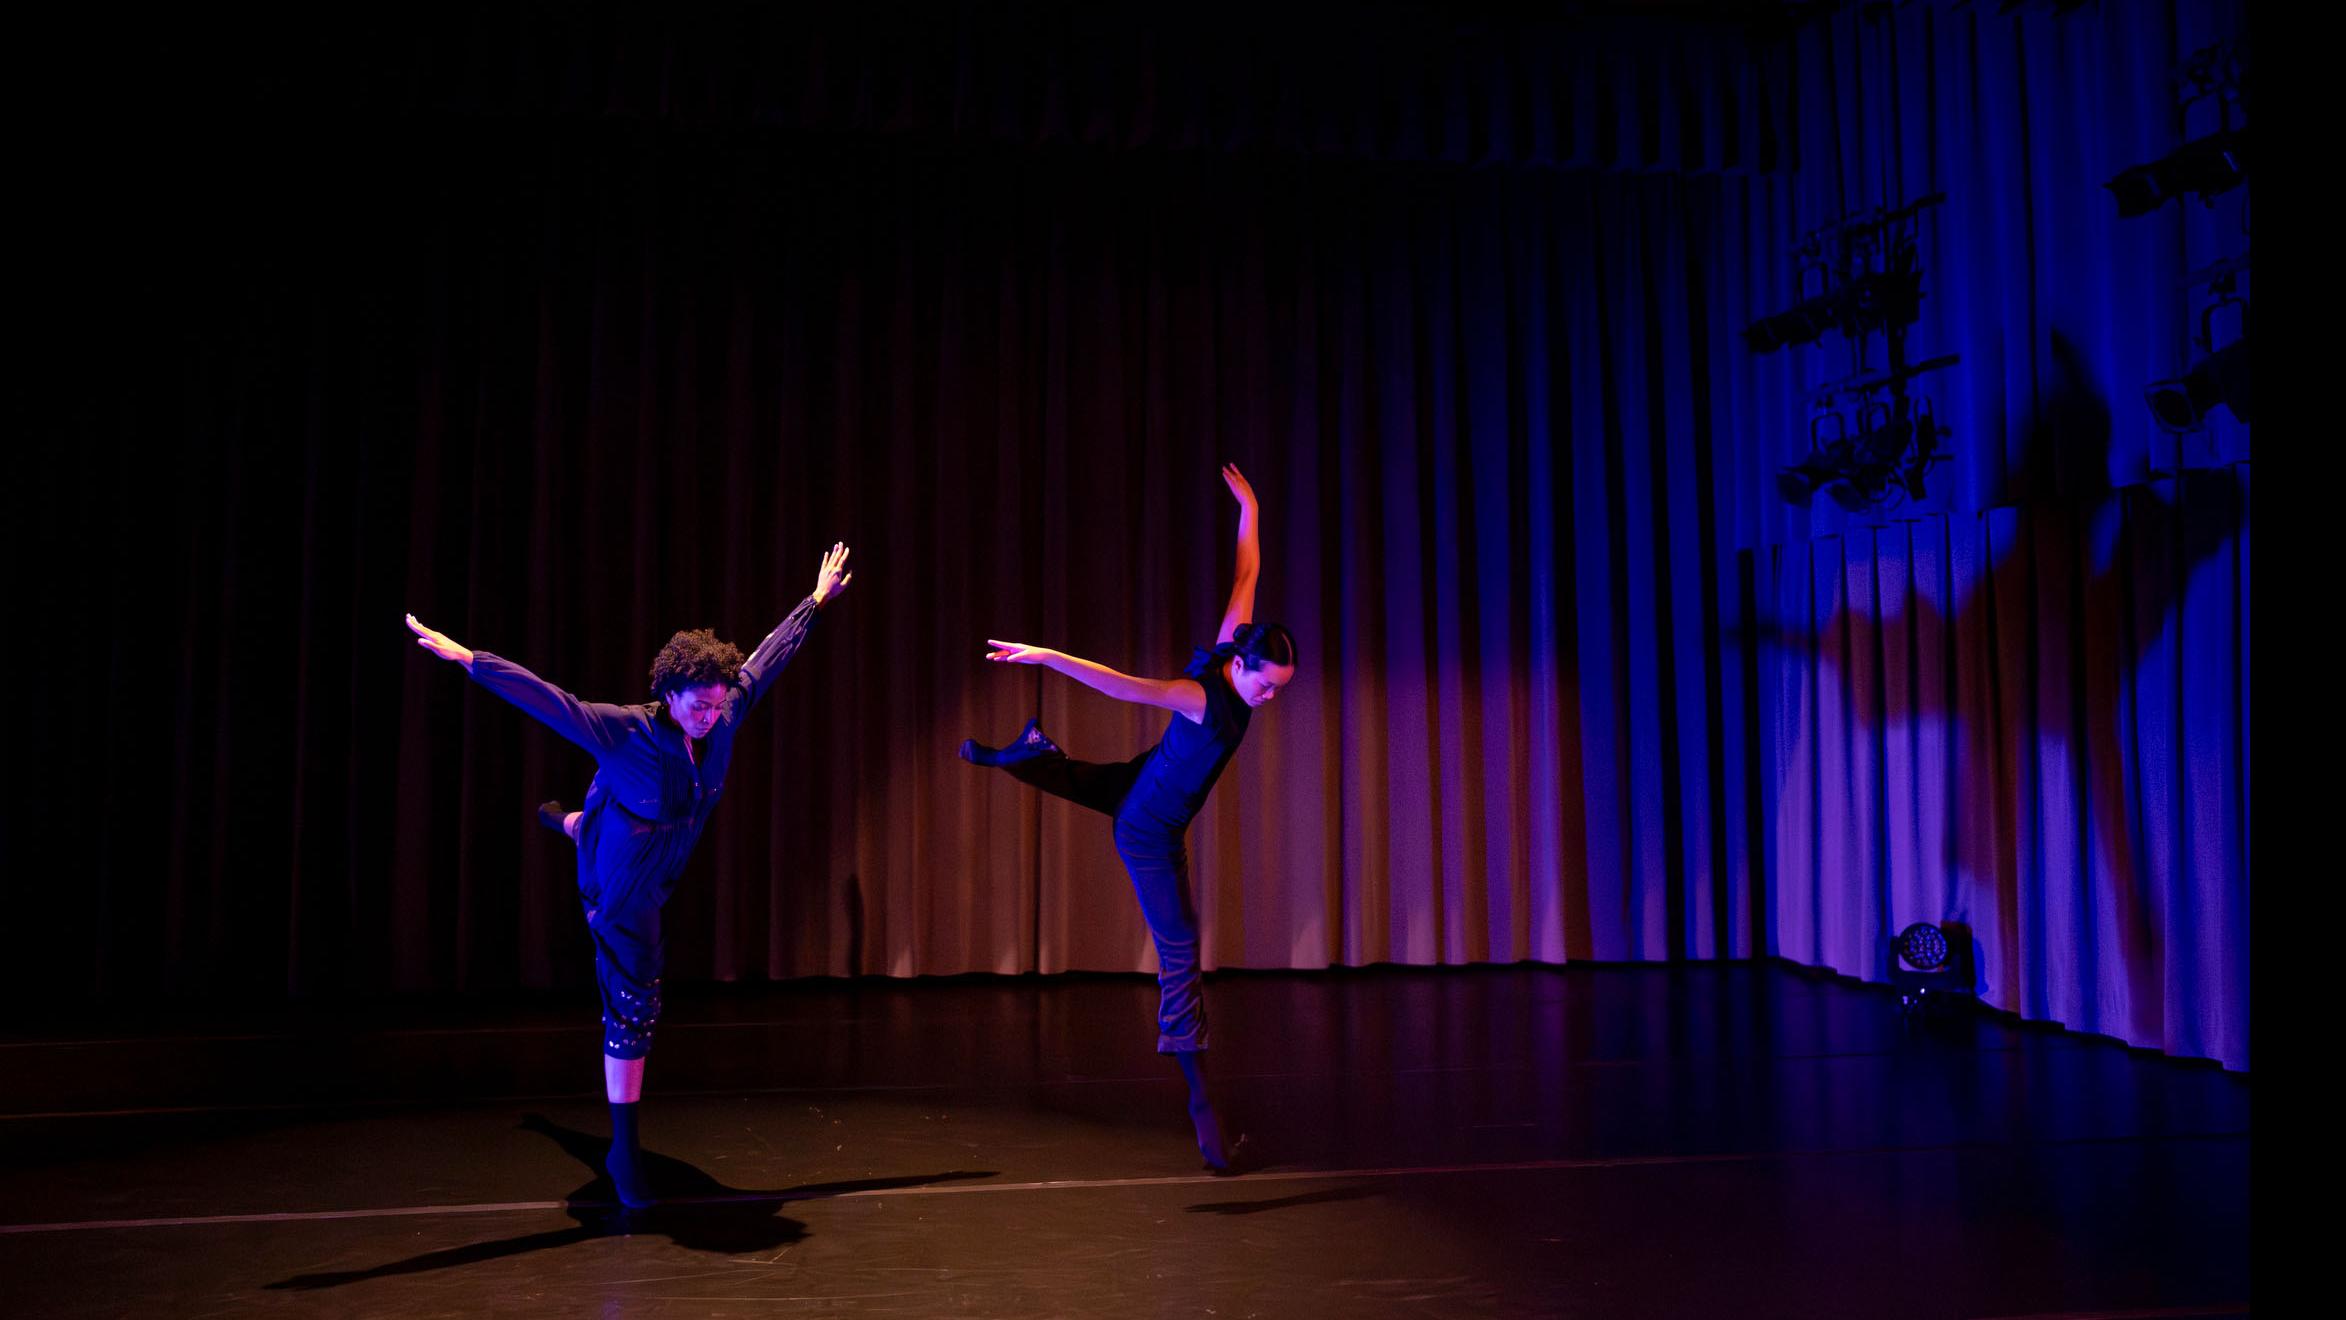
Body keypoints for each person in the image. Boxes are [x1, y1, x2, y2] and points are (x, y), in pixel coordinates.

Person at [404, 542, 854, 1206]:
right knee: (636, 1005)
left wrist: (814, 602)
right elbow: (547, 700)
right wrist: (468, 658)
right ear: (668, 693)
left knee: (607, 818)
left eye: (716, 704)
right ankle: (624, 1151)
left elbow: (769, 658)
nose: (709, 716)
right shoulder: (623, 732)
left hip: (655, 841)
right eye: (698, 706)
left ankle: (573, 822)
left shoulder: (725, 713)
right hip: (624, 888)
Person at [961, 464, 1296, 1171]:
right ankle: (1205, 1113)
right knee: (1180, 954)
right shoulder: (1200, 696)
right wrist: (1048, 656)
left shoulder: (1237, 643)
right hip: (1151, 829)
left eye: (1280, 689)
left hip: (1147, 783)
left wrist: (1252, 507)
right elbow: (1120, 687)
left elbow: (1245, 573)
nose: (1271, 698)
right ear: (1244, 669)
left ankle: (1029, 755)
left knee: (1104, 783)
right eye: (1268, 687)